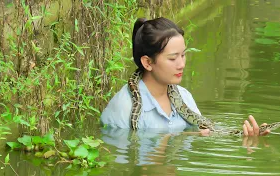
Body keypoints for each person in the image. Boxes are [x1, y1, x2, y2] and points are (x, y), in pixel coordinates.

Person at [100, 17, 270, 137]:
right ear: (147, 62)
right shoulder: (122, 109)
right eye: (173, 58)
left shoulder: (184, 97)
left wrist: (245, 135)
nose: (181, 64)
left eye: (183, 55)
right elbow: (122, 156)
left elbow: (206, 129)